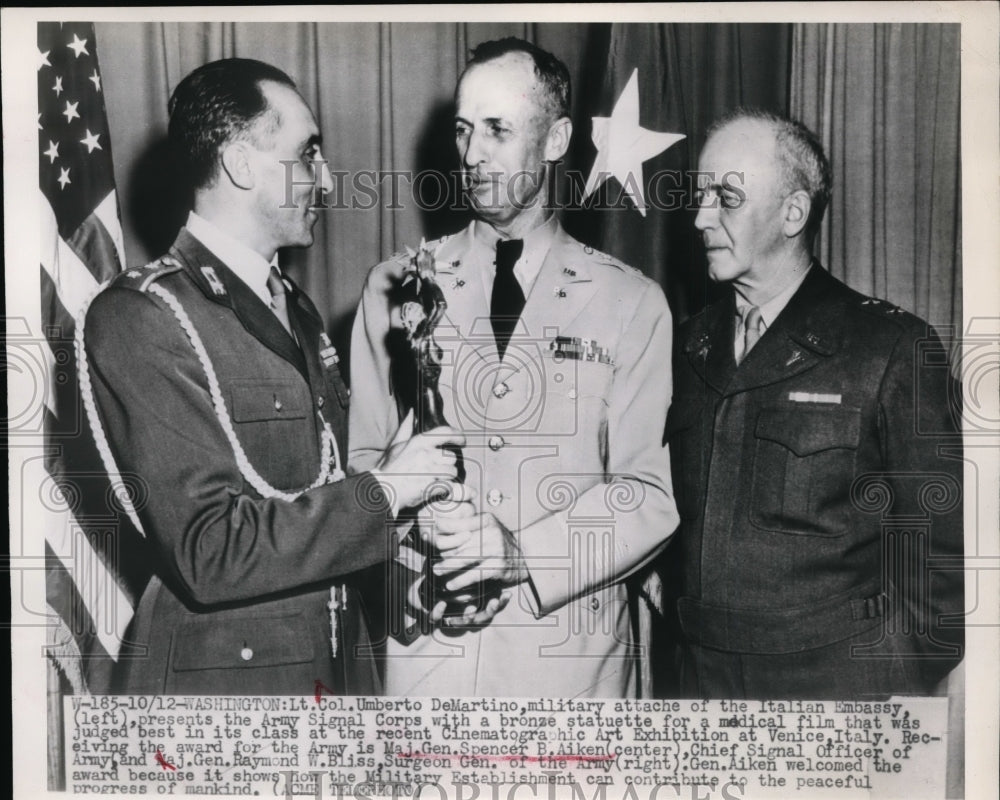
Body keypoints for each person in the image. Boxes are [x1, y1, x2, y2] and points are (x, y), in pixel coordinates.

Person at [81, 58, 465, 695]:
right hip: (224, 698)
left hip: (333, 674)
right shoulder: (143, 315)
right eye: (308, 153)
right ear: (239, 164)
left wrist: (413, 586)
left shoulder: (293, 308)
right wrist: (387, 490)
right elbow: (209, 551)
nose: (329, 180)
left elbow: (318, 500)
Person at [349, 38, 678, 698]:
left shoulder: (630, 301)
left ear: (555, 139)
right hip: (429, 658)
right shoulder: (396, 286)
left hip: (564, 670)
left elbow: (647, 494)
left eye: (498, 130)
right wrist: (415, 572)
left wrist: (521, 555)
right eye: (465, 131)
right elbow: (361, 472)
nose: (471, 156)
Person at [664, 109, 964, 698]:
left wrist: (889, 679)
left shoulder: (889, 347)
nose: (701, 218)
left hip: (835, 685)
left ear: (793, 213)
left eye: (725, 197)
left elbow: (939, 561)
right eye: (701, 196)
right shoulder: (687, 344)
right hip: (699, 681)